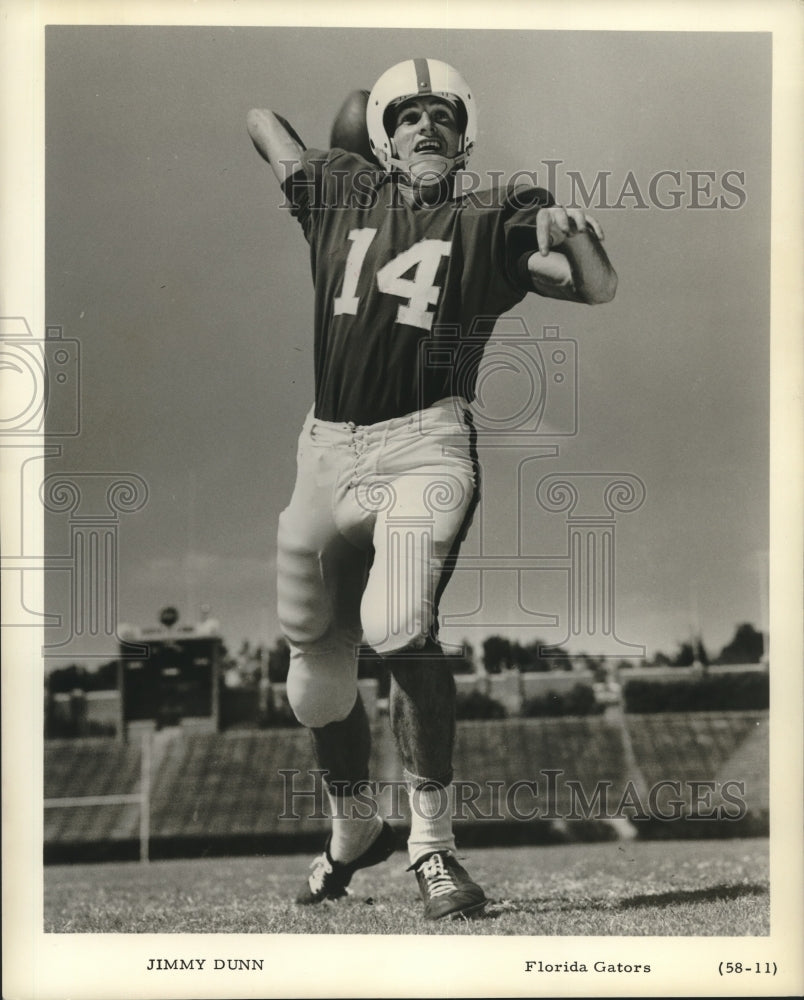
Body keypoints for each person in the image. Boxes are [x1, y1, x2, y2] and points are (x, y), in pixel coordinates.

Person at [247, 57, 616, 920]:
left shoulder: (493, 216)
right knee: (314, 679)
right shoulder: (340, 193)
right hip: (325, 452)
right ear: (380, 134)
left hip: (426, 445)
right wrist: (315, 157)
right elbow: (261, 116)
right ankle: (350, 836)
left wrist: (572, 229)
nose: (427, 128)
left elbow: (595, 286)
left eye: (442, 116)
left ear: (465, 134)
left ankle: (433, 849)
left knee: (399, 626)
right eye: (408, 116)